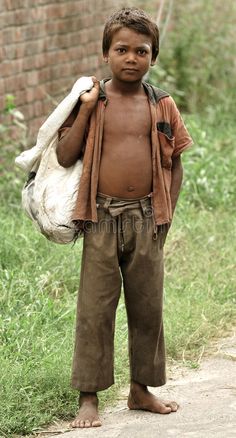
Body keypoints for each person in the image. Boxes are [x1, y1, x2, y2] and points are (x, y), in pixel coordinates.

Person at [56, 7, 193, 429]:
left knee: (148, 304)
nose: (131, 58)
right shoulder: (94, 100)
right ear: (104, 54)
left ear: (153, 57)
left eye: (141, 50)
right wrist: (85, 108)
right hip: (100, 217)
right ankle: (89, 396)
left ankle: (141, 389)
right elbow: (64, 154)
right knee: (95, 308)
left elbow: (176, 163)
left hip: (147, 219)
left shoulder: (162, 104)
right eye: (121, 49)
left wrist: (164, 213)